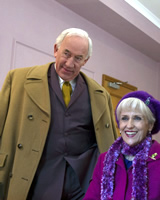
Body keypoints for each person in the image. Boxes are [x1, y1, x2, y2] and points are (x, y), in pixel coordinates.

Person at [0, 28, 118, 199]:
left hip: (81, 185)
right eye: (66, 54)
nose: (70, 64)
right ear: (56, 50)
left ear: (86, 60)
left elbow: (108, 142)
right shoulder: (17, 79)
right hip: (34, 180)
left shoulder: (101, 95)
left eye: (78, 58)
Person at [84, 91, 160, 200]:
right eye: (124, 118)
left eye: (137, 118)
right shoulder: (104, 159)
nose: (129, 125)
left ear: (150, 125)